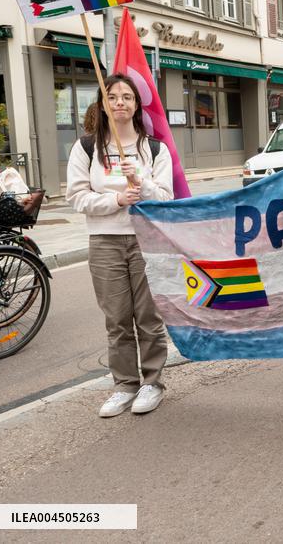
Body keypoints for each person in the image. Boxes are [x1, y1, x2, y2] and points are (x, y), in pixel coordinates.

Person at [66, 73, 174, 418]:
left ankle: (152, 383)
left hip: (146, 240)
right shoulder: (86, 147)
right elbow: (76, 197)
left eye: (127, 97)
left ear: (137, 105)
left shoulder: (154, 149)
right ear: (102, 104)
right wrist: (116, 199)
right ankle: (125, 385)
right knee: (117, 320)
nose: (120, 103)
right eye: (112, 97)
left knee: (148, 317)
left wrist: (141, 183)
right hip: (105, 242)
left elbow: (166, 198)